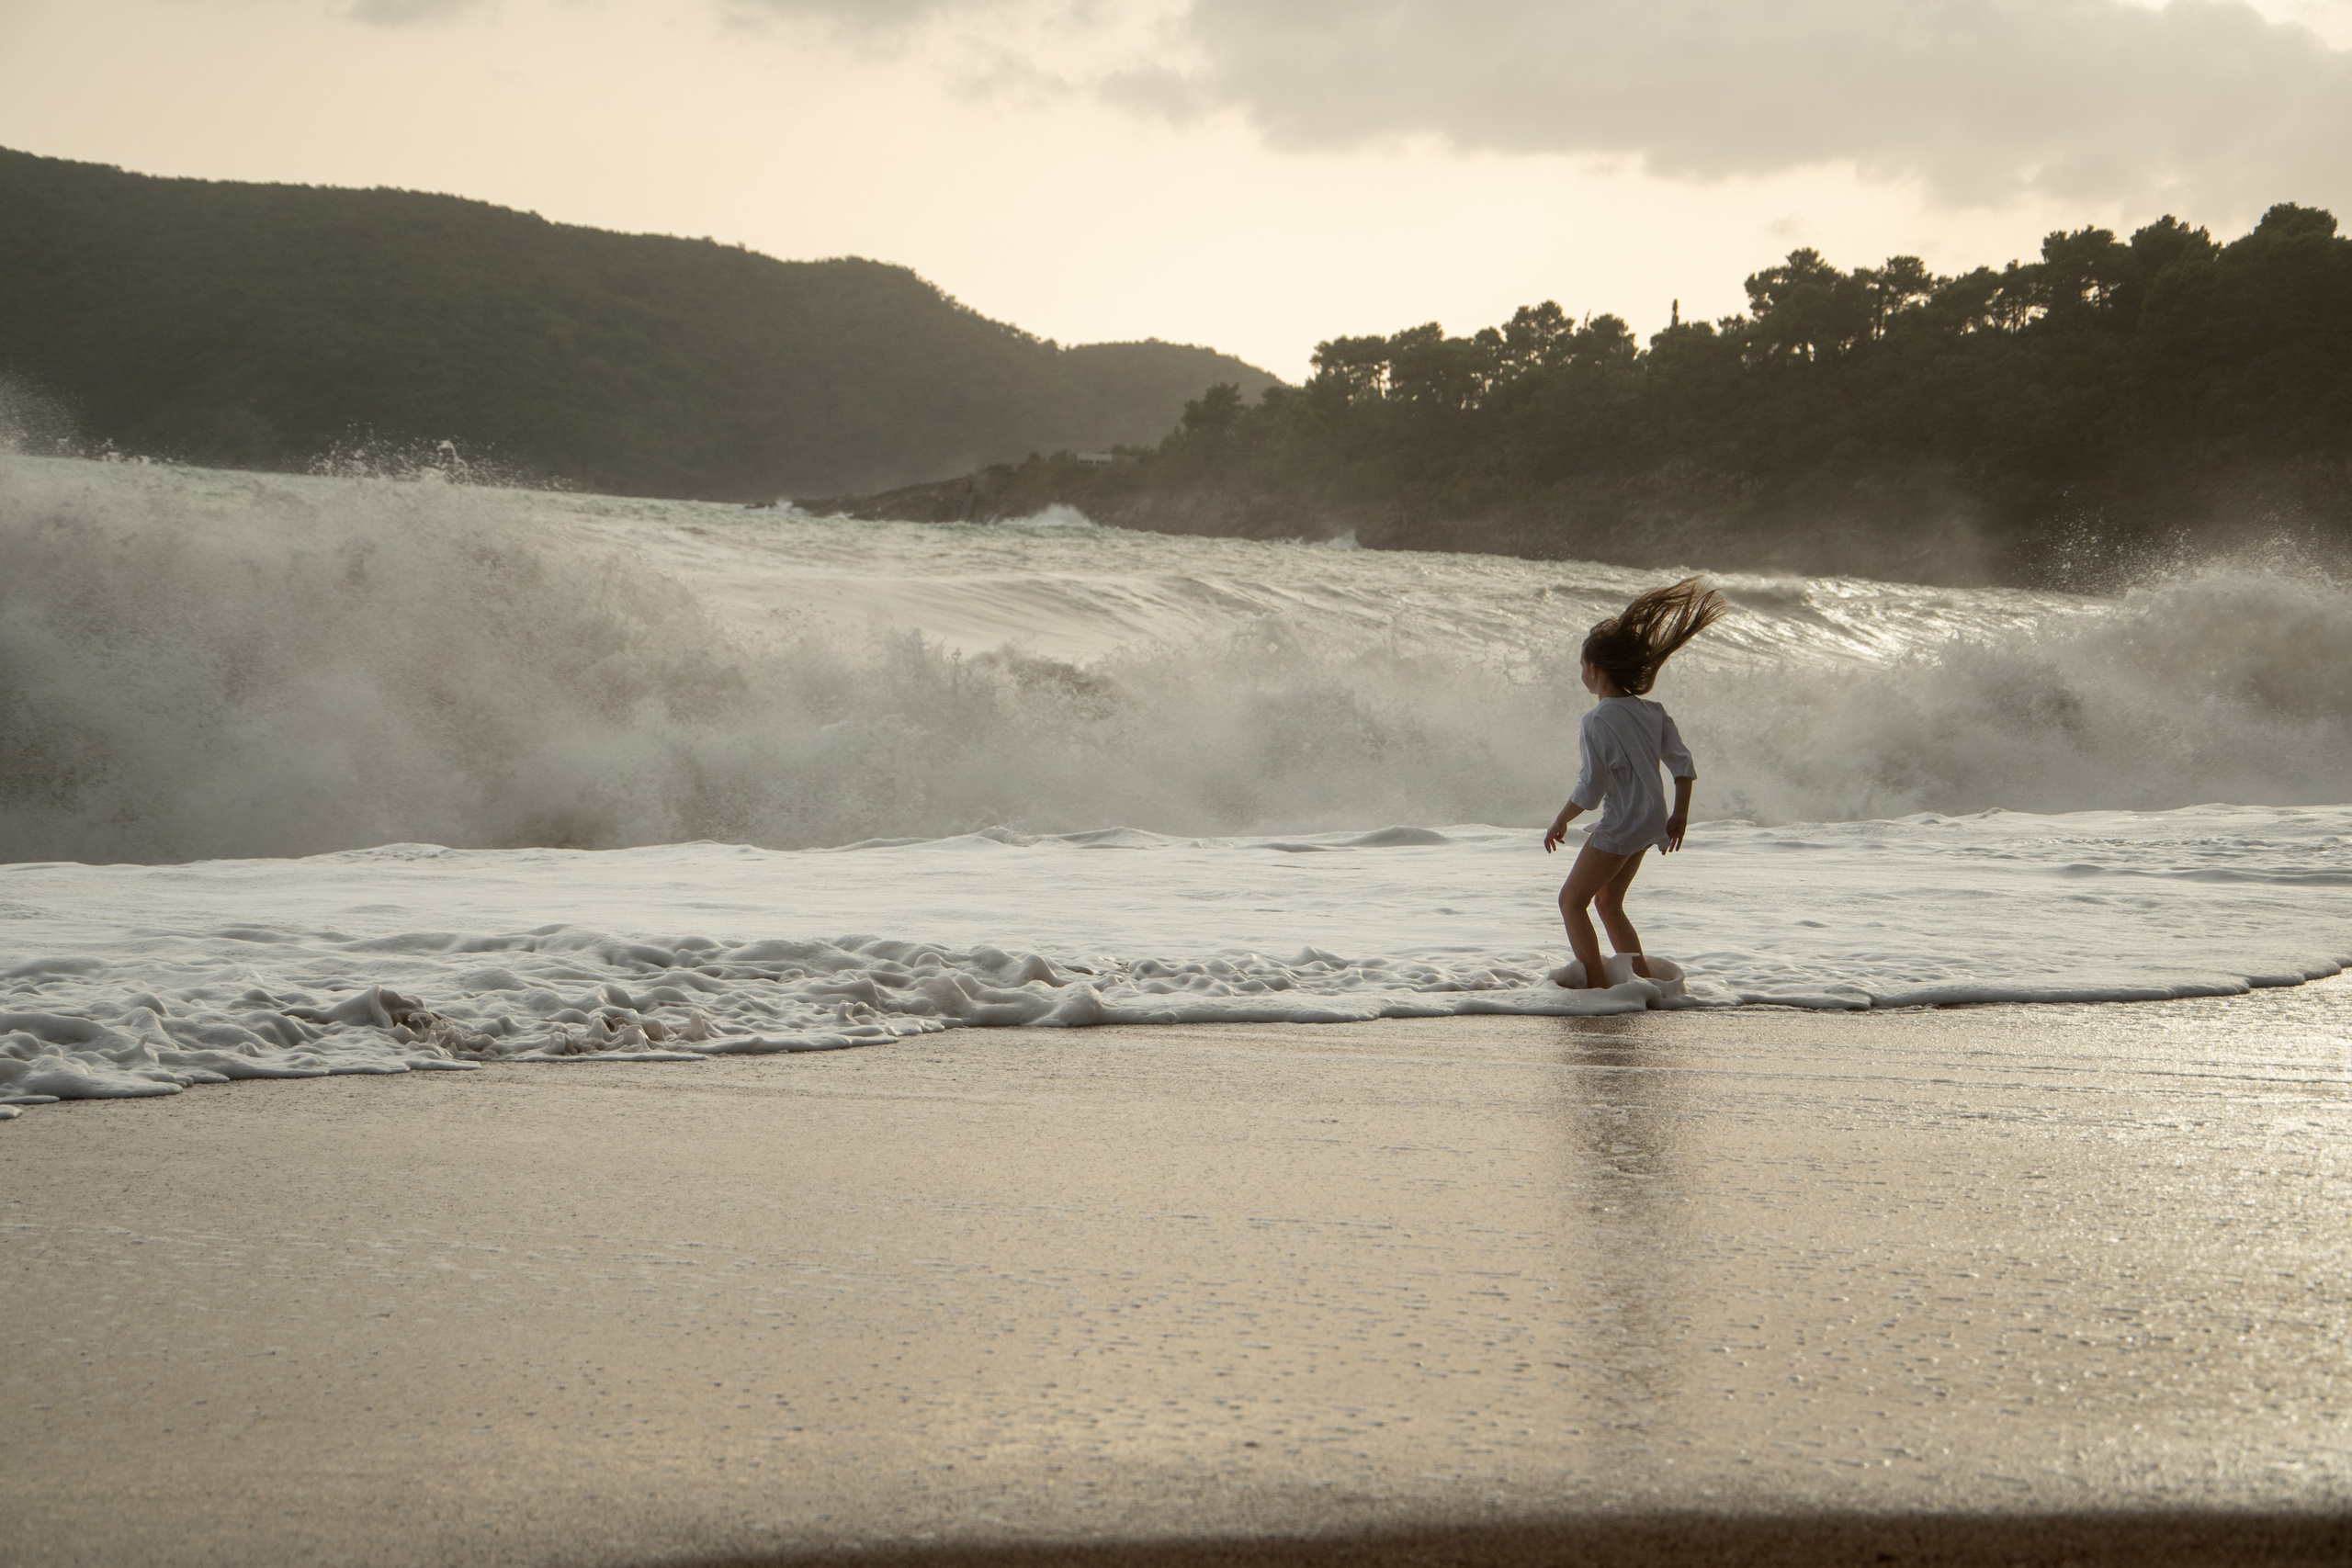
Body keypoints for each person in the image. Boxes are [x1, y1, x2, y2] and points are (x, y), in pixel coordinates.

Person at [1542, 577, 1728, 988]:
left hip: (1622, 826)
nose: (1581, 673)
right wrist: (1679, 815)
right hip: (1651, 823)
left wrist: (1560, 820)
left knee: (1571, 903)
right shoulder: (1652, 711)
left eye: (1581, 666)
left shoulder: (1597, 719)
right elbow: (1683, 764)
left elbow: (1591, 788)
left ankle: (1596, 986)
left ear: (1594, 668)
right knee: (1609, 903)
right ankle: (1645, 983)